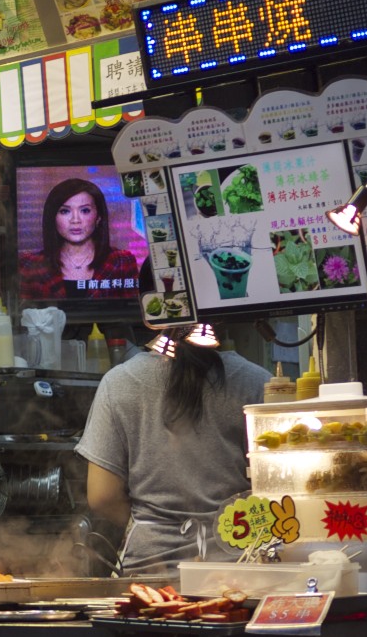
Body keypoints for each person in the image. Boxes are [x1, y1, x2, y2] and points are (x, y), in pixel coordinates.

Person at [77, 334, 269, 573]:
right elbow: (275, 488)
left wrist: (152, 523)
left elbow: (102, 496)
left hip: (149, 567)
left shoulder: (118, 382)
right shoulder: (257, 381)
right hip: (237, 564)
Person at [19, 177, 139, 299]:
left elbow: (131, 313)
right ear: (53, 218)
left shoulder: (121, 261)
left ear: (98, 217)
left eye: (85, 210)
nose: (75, 220)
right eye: (65, 211)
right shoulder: (29, 265)